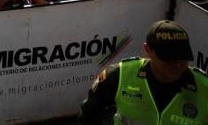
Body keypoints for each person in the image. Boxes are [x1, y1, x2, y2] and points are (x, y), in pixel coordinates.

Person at [79, 20, 208, 124]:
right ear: (147, 50)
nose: (178, 65)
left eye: (183, 58)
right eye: (169, 59)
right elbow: (89, 113)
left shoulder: (204, 87)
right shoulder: (120, 74)